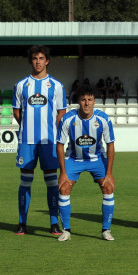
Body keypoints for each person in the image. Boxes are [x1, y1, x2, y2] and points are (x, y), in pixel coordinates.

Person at [12, 45, 66, 236]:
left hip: (49, 142)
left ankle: (53, 223)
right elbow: (16, 111)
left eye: (41, 58)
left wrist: (52, 131)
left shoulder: (57, 86)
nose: (38, 61)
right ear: (31, 61)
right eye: (35, 58)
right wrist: (27, 127)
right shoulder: (21, 85)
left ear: (47, 61)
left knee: (52, 183)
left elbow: (61, 113)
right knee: (25, 182)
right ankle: (22, 223)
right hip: (27, 141)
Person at [55, 85, 116, 241]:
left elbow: (110, 145)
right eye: (83, 100)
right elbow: (60, 145)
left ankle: (106, 230)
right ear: (78, 101)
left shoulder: (103, 119)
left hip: (97, 159)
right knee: (64, 187)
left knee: (108, 186)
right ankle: (66, 230)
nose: (86, 103)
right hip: (74, 159)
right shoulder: (68, 119)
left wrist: (109, 173)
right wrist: (62, 172)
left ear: (94, 101)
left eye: (90, 99)